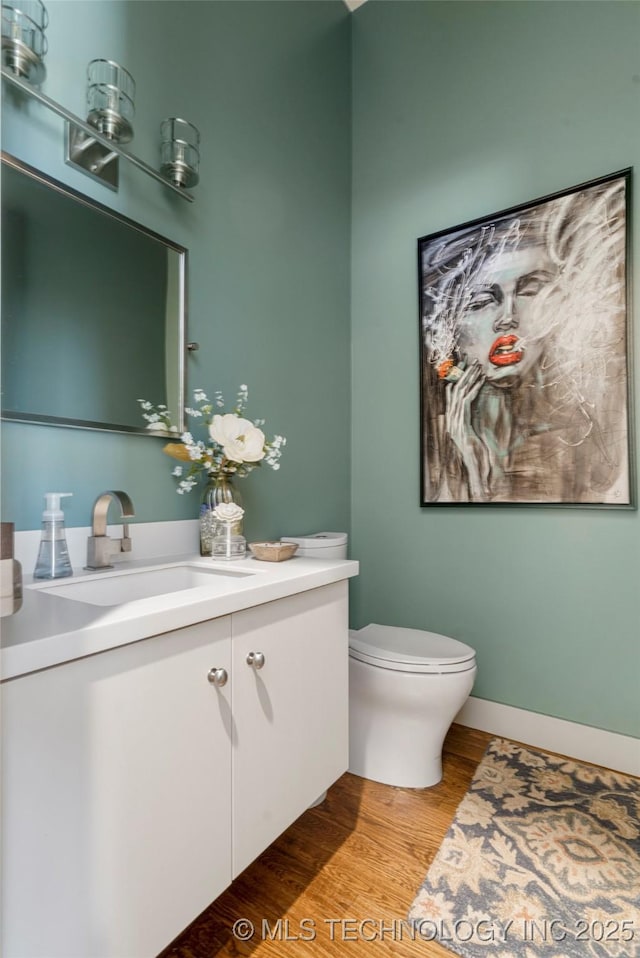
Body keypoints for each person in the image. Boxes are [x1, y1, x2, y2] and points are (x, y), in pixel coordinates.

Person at [419, 178, 629, 504]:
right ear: (450, 326)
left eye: (529, 290)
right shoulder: (435, 444)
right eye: (480, 301)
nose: (508, 318)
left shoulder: (587, 438)